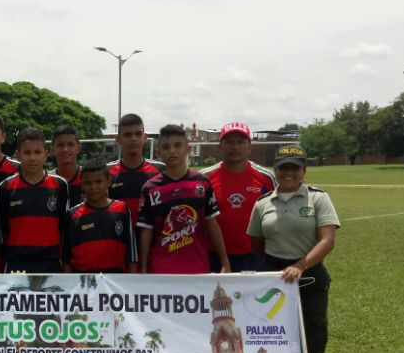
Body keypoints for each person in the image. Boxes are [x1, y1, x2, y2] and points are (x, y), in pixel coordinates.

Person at [247, 145, 339, 353]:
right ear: (275, 170)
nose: (288, 173)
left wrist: (300, 265)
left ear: (304, 171)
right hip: (275, 284)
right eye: (283, 167)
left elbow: (327, 240)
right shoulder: (263, 203)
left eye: (294, 167)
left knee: (310, 350)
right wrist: (276, 269)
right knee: (274, 350)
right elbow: (257, 244)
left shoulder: (317, 198)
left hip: (310, 281)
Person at [137, 125, 230, 274]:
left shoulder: (202, 182)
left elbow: (211, 222)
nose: (172, 151)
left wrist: (224, 261)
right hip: (162, 270)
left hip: (197, 269)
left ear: (188, 149)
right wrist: (142, 268)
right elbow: (146, 231)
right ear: (158, 152)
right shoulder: (150, 188)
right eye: (166, 147)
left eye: (178, 145)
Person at [203, 122, 277, 271]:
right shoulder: (204, 177)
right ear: (220, 146)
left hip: (254, 256)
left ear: (249, 146)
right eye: (229, 142)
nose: (235, 147)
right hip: (213, 256)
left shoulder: (266, 177)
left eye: (240, 142)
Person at [0, 128, 69, 273]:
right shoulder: (5, 187)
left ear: (46, 154)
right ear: (18, 155)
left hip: (51, 263)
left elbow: (64, 229)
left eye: (37, 152)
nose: (32, 158)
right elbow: (2, 231)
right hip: (16, 264)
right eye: (27, 152)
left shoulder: (60, 185)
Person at [63, 158, 137, 273]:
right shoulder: (72, 214)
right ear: (81, 184)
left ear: (108, 181)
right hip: (82, 282)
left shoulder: (123, 209)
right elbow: (67, 257)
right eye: (88, 183)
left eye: (98, 182)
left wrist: (132, 284)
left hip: (115, 281)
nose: (93, 187)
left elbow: (132, 254)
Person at [107, 114, 162, 226]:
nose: (133, 139)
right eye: (127, 135)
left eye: (138, 134)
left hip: (150, 238)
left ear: (145, 137)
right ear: (118, 139)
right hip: (119, 239)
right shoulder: (106, 172)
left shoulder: (160, 170)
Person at [51, 125, 84, 208]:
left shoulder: (89, 179)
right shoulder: (47, 181)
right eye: (60, 145)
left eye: (70, 144)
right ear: (52, 150)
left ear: (79, 148)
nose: (65, 149)